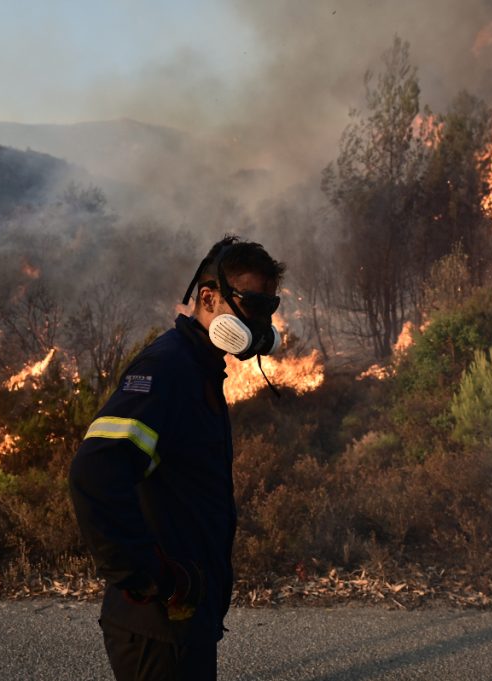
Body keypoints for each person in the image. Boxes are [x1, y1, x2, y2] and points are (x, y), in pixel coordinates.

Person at [69, 236, 285, 681]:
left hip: (187, 619)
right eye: (250, 304)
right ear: (207, 297)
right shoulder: (168, 369)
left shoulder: (201, 367)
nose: (259, 322)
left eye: (267, 307)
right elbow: (94, 471)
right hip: (156, 625)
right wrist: (149, 578)